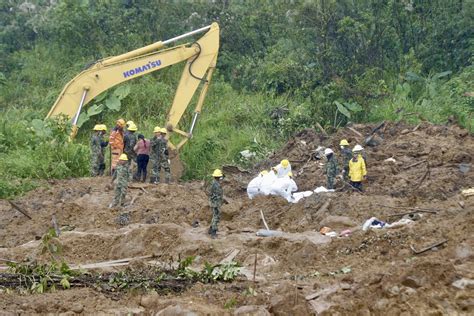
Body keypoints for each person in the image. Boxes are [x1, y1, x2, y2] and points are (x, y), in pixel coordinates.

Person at [208, 169, 224, 239]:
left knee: (214, 215)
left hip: (213, 202)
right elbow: (219, 194)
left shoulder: (213, 183)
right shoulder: (216, 184)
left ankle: (211, 229)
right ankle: (213, 232)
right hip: (216, 203)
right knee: (216, 217)